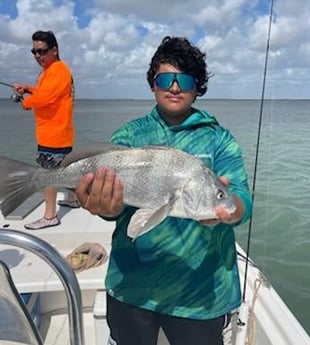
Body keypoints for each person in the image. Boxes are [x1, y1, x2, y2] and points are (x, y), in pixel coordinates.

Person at [75, 36, 252, 345]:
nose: (174, 87)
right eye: (165, 78)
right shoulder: (130, 135)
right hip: (133, 286)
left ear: (198, 86)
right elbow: (115, 210)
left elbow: (241, 201)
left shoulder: (220, 140)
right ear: (152, 83)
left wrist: (229, 209)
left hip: (200, 296)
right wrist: (106, 208)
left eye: (183, 79)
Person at [13, 30, 79, 230]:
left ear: (54, 50)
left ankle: (50, 216)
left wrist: (25, 102)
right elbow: (47, 92)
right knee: (65, 170)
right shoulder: (53, 71)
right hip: (61, 133)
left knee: (48, 175)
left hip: (53, 136)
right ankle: (73, 199)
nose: (37, 56)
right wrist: (28, 88)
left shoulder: (58, 70)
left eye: (41, 51)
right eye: (34, 52)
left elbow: (44, 98)